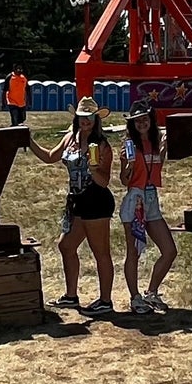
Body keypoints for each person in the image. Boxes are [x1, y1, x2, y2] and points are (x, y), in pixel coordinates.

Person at [27, 96, 116, 315]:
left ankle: (105, 301)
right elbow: (50, 157)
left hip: (96, 200)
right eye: (82, 117)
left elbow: (104, 182)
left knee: (100, 252)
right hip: (77, 201)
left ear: (96, 119)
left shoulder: (102, 145)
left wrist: (94, 168)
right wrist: (28, 141)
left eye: (89, 117)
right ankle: (71, 296)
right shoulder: (70, 138)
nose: (85, 121)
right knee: (66, 246)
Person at [118, 105, 177, 312]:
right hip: (135, 200)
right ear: (132, 125)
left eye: (145, 119)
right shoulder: (129, 144)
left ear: (151, 120)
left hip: (151, 200)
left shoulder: (155, 142)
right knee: (133, 252)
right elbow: (124, 180)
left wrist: (164, 146)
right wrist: (128, 165)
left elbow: (158, 163)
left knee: (169, 250)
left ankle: (151, 293)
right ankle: (135, 298)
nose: (141, 123)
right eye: (137, 120)